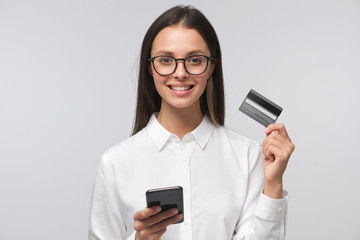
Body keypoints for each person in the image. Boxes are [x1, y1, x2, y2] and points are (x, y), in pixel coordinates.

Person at [89, 5, 295, 240]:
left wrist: (273, 185)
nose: (180, 73)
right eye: (166, 60)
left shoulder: (248, 156)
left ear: (211, 67)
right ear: (150, 68)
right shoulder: (115, 163)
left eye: (194, 60)